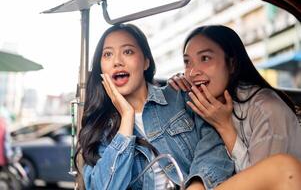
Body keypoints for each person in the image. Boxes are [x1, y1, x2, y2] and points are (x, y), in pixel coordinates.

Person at [75, 23, 235, 190]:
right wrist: (127, 118)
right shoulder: (99, 129)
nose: (117, 61)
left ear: (146, 62)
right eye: (107, 54)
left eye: (128, 51)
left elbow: (215, 147)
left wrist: (197, 185)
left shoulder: (180, 96)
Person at [168, 25, 301, 189]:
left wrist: (225, 127)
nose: (193, 72)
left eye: (205, 58)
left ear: (232, 64)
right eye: (187, 62)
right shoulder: (204, 103)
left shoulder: (265, 109)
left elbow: (264, 184)